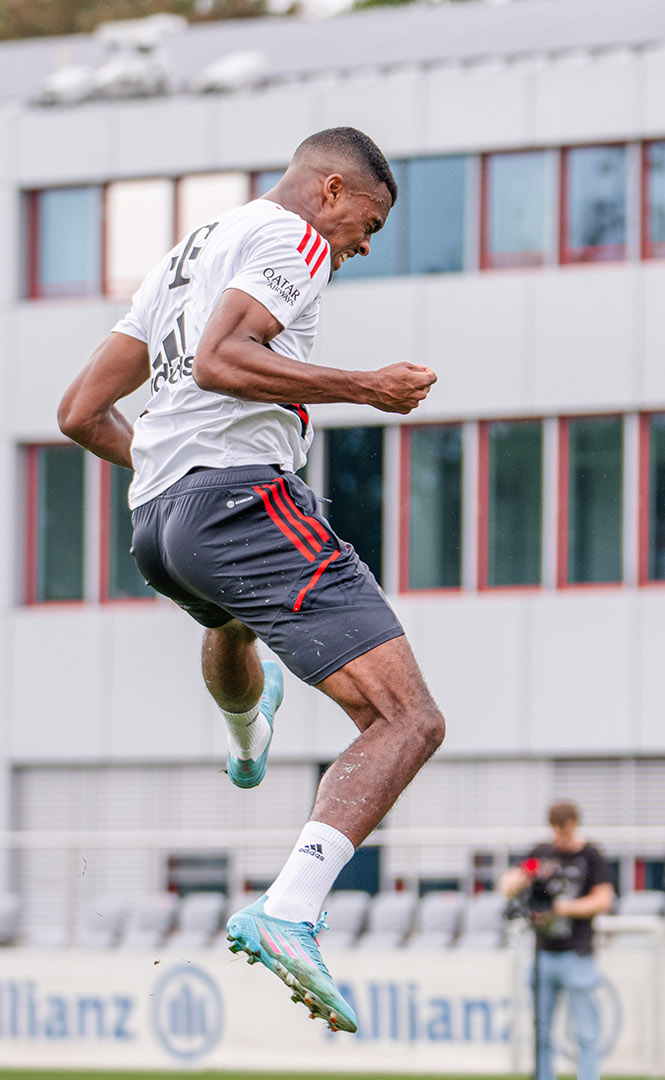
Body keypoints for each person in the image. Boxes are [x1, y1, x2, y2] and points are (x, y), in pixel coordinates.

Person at [55, 126, 445, 1034]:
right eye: (368, 224)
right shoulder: (292, 236)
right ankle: (291, 910)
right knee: (408, 719)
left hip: (161, 526)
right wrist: (366, 386)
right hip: (239, 503)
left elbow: (78, 412)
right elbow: (222, 361)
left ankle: (244, 738)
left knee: (231, 625)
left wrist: (164, 468)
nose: (363, 247)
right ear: (334, 190)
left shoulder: (192, 252)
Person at [499, 801, 615, 1080]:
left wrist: (561, 908)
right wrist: (527, 874)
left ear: (575, 824)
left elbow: (604, 900)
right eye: (557, 832)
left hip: (577, 954)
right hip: (544, 955)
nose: (562, 838)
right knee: (541, 1034)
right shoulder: (541, 853)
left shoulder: (591, 855)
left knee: (585, 1034)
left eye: (566, 831)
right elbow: (507, 887)